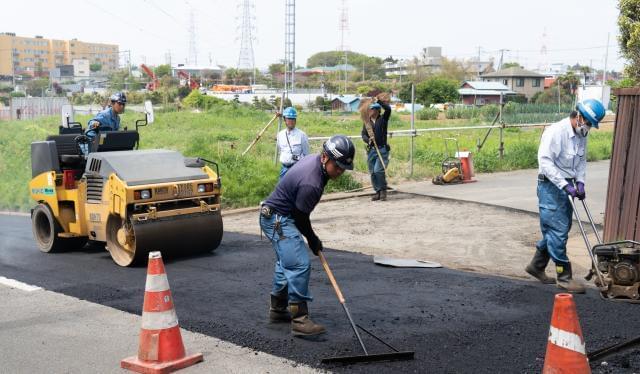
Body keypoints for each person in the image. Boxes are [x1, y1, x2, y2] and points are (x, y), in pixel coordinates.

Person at [259, 135, 355, 336]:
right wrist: (312, 239)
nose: (339, 172)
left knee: (286, 262)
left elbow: (299, 214)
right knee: (298, 264)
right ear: (324, 158)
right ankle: (300, 320)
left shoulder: (315, 163)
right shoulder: (312, 182)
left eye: (343, 168)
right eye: (337, 166)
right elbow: (300, 217)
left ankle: (277, 309)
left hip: (279, 216)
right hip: (278, 219)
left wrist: (312, 237)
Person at [525, 98, 606, 293]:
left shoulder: (581, 135)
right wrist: (564, 185)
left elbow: (581, 162)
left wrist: (580, 182)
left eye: (590, 125)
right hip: (550, 186)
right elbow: (545, 162)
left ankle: (536, 266)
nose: (588, 127)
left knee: (559, 229)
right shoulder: (555, 132)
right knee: (557, 231)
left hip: (567, 185)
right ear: (578, 116)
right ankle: (564, 276)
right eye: (587, 122)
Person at [361, 99, 391, 201]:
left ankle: (383, 190)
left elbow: (388, 109)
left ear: (377, 110)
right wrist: (368, 140)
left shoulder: (383, 119)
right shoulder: (367, 123)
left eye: (371, 109)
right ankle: (377, 191)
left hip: (382, 149)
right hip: (371, 151)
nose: (369, 110)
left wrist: (380, 101)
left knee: (378, 170)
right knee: (372, 172)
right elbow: (363, 134)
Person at [277, 107, 310, 179]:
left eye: (293, 119)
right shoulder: (280, 135)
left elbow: (306, 154)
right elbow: (281, 150)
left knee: (297, 190)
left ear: (295, 120)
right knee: (282, 189)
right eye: (289, 119)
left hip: (297, 169)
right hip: (284, 169)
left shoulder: (302, 135)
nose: (291, 121)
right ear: (285, 119)